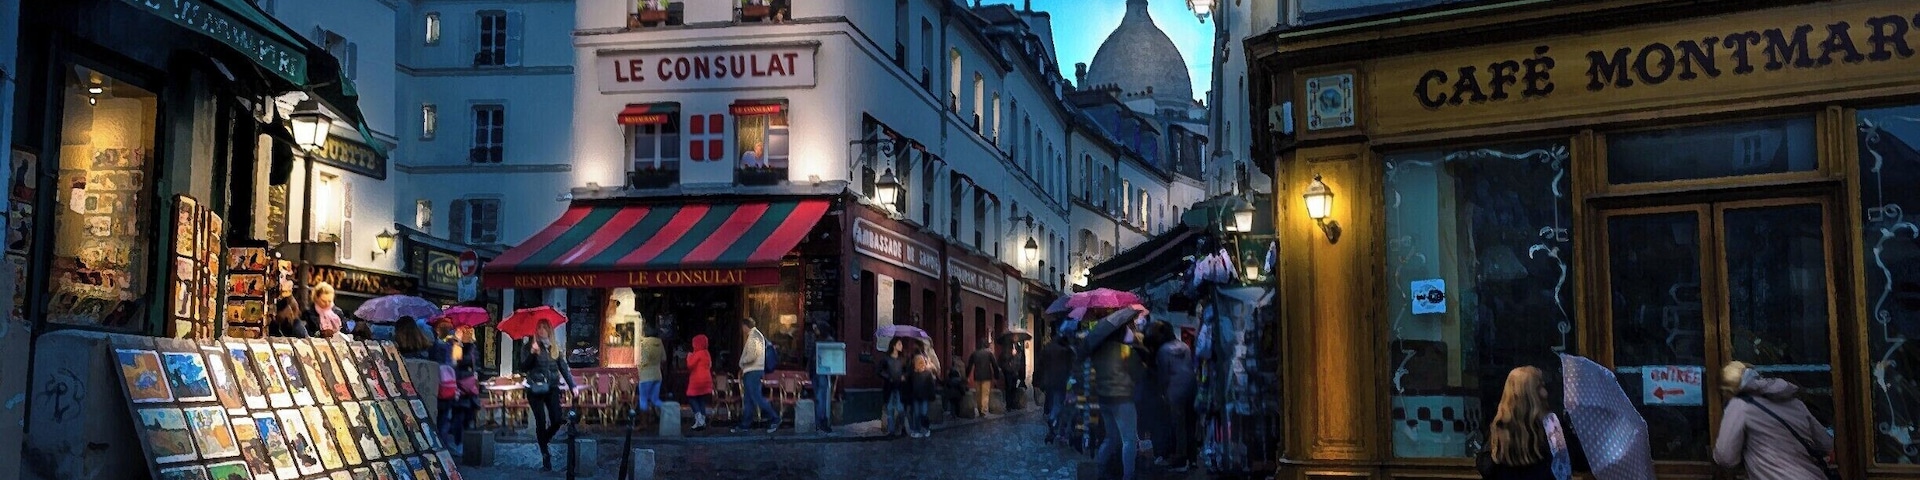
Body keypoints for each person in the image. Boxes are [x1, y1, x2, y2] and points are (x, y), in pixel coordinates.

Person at [1712, 361, 1834, 480]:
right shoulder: (1795, 403)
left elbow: (1725, 457)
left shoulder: (1740, 406)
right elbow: (1826, 443)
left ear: (1728, 390)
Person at [1081, 307, 1145, 480]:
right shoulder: (1125, 350)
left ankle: (1101, 470)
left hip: (1104, 399)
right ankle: (1128, 476)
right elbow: (1138, 373)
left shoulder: (1098, 352)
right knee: (1129, 440)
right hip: (1123, 399)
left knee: (1111, 438)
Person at [1477, 366, 1571, 480]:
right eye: (1541, 386)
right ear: (1531, 396)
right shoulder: (1551, 428)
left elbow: (1486, 469)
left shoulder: (1496, 433)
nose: (1546, 393)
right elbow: (1563, 472)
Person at [518, 322, 578, 471]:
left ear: (549, 330)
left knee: (557, 419)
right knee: (541, 421)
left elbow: (564, 368)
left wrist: (573, 386)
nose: (541, 330)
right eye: (539, 328)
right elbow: (523, 368)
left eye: (544, 328)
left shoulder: (554, 348)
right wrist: (532, 353)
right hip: (535, 388)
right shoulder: (529, 346)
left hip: (552, 388)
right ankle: (546, 456)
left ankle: (544, 440)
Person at [1149, 321, 1196, 472]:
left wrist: (1162, 392)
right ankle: (1192, 458)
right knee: (1190, 425)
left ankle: (1180, 459)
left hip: (1175, 391)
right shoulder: (1184, 346)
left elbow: (1164, 375)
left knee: (1178, 425)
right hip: (1191, 389)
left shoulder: (1163, 350)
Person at [434, 321, 480, 454]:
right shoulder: (453, 345)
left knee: (464, 416)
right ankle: (458, 443)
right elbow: (454, 364)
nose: (466, 333)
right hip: (458, 385)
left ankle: (462, 444)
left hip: (466, 385)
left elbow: (472, 363)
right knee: (458, 416)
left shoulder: (469, 347)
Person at [733, 318, 782, 433]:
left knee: (756, 397)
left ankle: (775, 418)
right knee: (749, 399)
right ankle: (745, 424)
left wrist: (742, 362)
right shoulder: (756, 335)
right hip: (753, 371)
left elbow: (752, 355)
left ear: (745, 326)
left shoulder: (754, 336)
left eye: (742, 327)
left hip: (753, 371)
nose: (742, 330)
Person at [1037, 326, 1075, 444]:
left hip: (1049, 381)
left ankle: (1054, 424)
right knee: (1060, 404)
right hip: (1061, 381)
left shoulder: (1047, 348)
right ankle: (1054, 421)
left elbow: (1040, 365)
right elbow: (1071, 366)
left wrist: (1040, 381)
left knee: (1053, 402)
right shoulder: (1065, 350)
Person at [808, 321, 836, 433]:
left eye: (817, 329)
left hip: (822, 373)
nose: (816, 331)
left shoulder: (828, 341)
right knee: (819, 397)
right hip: (816, 372)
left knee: (821, 397)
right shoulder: (818, 339)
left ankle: (821, 421)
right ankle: (820, 421)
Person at [907, 345, 939, 438]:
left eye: (922, 362)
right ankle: (917, 430)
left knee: (923, 413)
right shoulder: (913, 373)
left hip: (924, 397)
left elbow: (931, 386)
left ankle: (925, 429)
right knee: (916, 414)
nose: (921, 364)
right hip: (915, 397)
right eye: (919, 362)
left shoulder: (927, 373)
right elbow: (909, 384)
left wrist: (932, 395)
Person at [685, 334, 714, 431]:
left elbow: (690, 365)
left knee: (691, 397)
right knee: (701, 399)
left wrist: (689, 356)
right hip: (706, 379)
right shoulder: (706, 353)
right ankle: (702, 420)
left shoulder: (697, 353)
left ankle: (699, 418)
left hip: (697, 379)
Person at [880, 338, 909, 436]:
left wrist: (904, 376)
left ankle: (902, 427)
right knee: (890, 409)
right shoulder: (886, 358)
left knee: (901, 409)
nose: (901, 346)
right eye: (899, 344)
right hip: (889, 386)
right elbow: (879, 371)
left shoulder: (903, 359)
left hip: (900, 387)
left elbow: (907, 371)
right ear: (894, 346)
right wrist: (888, 377)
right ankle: (891, 431)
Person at [636, 326, 666, 418]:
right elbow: (664, 358)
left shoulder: (645, 343)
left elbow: (644, 360)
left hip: (646, 376)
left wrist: (639, 366)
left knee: (643, 399)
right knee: (655, 399)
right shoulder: (659, 343)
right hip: (657, 375)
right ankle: (670, 409)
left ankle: (644, 423)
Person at [966, 339, 999, 418]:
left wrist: (966, 375)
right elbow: (995, 365)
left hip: (977, 375)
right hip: (987, 375)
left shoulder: (974, 354)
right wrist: (996, 375)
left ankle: (979, 408)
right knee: (985, 394)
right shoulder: (989, 353)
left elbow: (969, 366)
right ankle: (983, 410)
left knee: (978, 393)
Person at [999, 336, 1027, 411]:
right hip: (1008, 371)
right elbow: (1002, 359)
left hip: (1016, 371)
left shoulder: (1020, 350)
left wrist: (1022, 374)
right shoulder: (1006, 350)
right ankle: (1008, 405)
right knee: (1009, 387)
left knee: (1014, 388)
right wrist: (1011, 355)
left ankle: (1013, 404)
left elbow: (1022, 362)